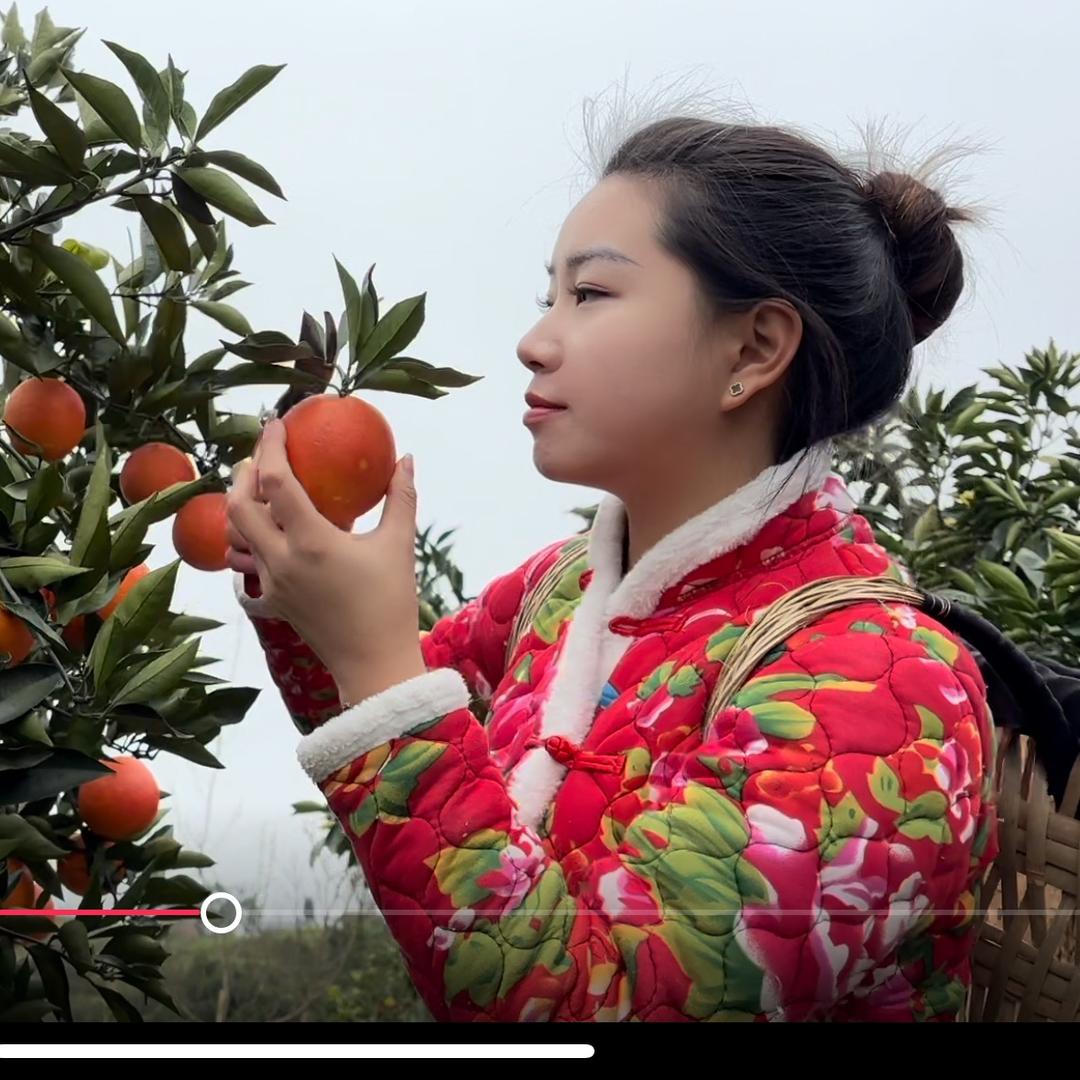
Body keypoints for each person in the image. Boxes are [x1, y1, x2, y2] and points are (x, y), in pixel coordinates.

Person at [225, 116, 999, 1022]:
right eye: (548, 296)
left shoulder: (881, 688)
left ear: (753, 350)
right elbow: (386, 731)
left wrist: (373, 662)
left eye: (588, 294)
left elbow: (600, 1000)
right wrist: (298, 590)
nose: (533, 341)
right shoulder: (566, 589)